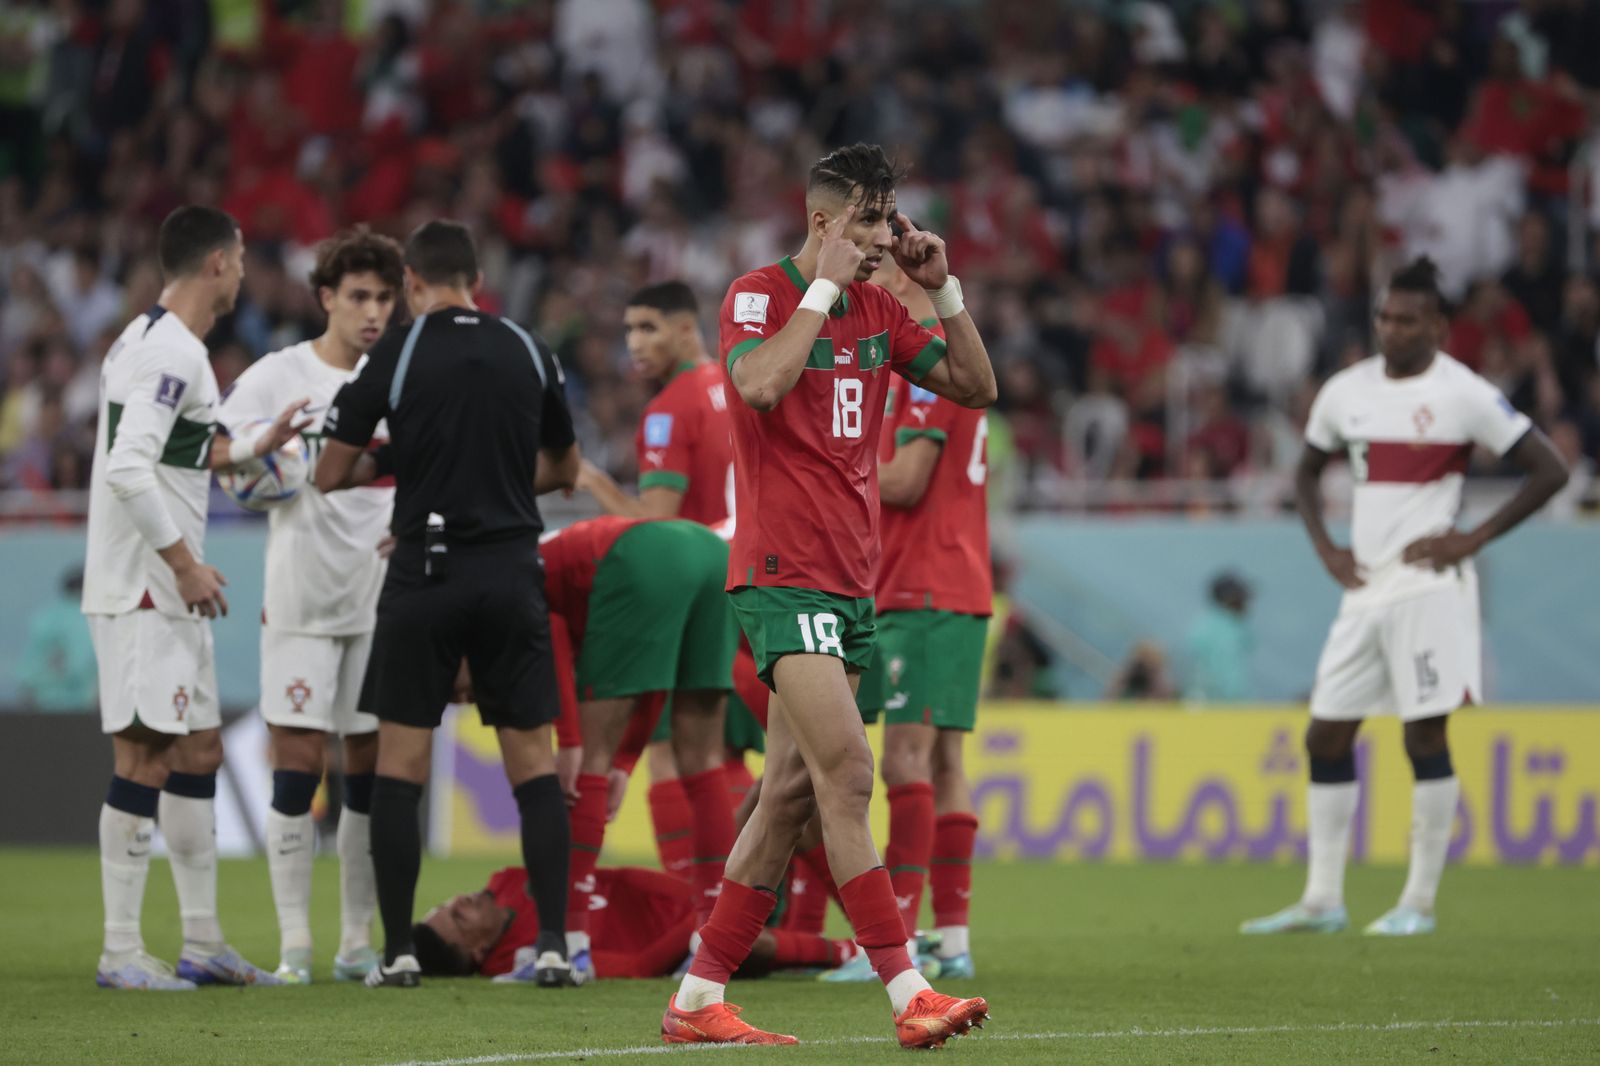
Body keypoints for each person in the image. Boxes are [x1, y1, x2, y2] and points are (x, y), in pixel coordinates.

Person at [663, 143, 996, 1049]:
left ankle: (697, 997)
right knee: (851, 772)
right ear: (823, 222)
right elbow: (761, 385)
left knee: (790, 795)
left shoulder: (887, 307)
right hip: (782, 572)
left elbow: (977, 386)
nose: (888, 236)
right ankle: (907, 989)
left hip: (852, 583)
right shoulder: (759, 295)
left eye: (893, 219)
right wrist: (820, 292)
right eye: (873, 220)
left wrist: (945, 289)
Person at [1242, 257, 1566, 938]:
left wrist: (1471, 538)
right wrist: (1327, 548)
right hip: (1365, 587)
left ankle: (1417, 903)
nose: (1392, 329)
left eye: (1407, 319)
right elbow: (1304, 472)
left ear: (1439, 327)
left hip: (1429, 588)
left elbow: (1549, 469)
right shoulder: (1346, 390)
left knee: (1424, 735)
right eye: (1386, 317)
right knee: (1325, 732)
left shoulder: (1464, 393)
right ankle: (1323, 900)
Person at [314, 220, 582, 988]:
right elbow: (566, 465)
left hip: (424, 574)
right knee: (532, 768)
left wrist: (406, 465)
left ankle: (397, 952)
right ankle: (555, 945)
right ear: (477, 278)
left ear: (412, 285)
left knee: (400, 768)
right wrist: (493, 486)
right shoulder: (529, 348)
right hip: (509, 570)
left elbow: (331, 471)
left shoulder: (393, 354)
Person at [83, 205, 307, 990]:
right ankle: (119, 950)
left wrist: (257, 444)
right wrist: (181, 563)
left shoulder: (153, 342)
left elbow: (188, 448)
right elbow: (129, 468)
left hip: (168, 594)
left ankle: (204, 942)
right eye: (241, 258)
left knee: (200, 749)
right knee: (143, 756)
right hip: (149, 589)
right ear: (216, 263)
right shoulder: (172, 354)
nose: (245, 272)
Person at [215, 227, 405, 983]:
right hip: (298, 594)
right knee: (296, 768)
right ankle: (295, 945)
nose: (372, 311)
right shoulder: (275, 375)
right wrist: (269, 452)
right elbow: (226, 455)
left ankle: (354, 941)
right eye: (358, 296)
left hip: (378, 596)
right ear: (327, 297)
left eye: (385, 298)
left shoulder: (401, 377)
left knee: (364, 770)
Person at [824, 255, 990, 983]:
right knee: (944, 764)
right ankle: (951, 938)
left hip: (926, 586)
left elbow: (909, 479)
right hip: (940, 585)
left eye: (881, 269)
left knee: (904, 761)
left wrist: (828, 464)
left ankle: (900, 934)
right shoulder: (925, 361)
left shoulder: (929, 364)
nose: (870, 277)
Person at [571, 282, 752, 883]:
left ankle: (698, 908)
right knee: (736, 758)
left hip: (695, 585)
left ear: (684, 328)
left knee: (672, 754)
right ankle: (760, 905)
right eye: (628, 330)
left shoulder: (670, 407)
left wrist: (591, 481)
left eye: (647, 328)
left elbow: (657, 523)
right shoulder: (743, 381)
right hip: (754, 574)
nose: (634, 344)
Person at [533, 514, 738, 984]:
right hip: (712, 554)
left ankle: (570, 944)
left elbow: (556, 648)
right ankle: (714, 943)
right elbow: (652, 680)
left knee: (589, 759)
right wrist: (627, 759)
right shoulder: (548, 555)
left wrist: (570, 744)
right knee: (705, 760)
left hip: (641, 556)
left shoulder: (521, 576)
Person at [411, 865, 859, 981]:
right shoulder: (531, 959)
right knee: (734, 939)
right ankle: (856, 952)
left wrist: (696, 897)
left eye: (448, 902)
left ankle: (873, 926)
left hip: (691, 896)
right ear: (477, 952)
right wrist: (697, 920)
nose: (462, 900)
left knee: (785, 801)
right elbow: (639, 966)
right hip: (689, 939)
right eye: (457, 916)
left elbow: (616, 877)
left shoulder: (507, 882)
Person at [16, 567, 97, 711]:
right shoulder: (97, 618)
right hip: (88, 709)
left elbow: (30, 670)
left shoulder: (47, 617)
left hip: (45, 707)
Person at [1182, 571, 1254, 703]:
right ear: (1229, 599)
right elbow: (1226, 680)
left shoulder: (1204, 626)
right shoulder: (1226, 629)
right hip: (1217, 705)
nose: (1246, 604)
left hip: (1206, 703)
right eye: (1240, 598)